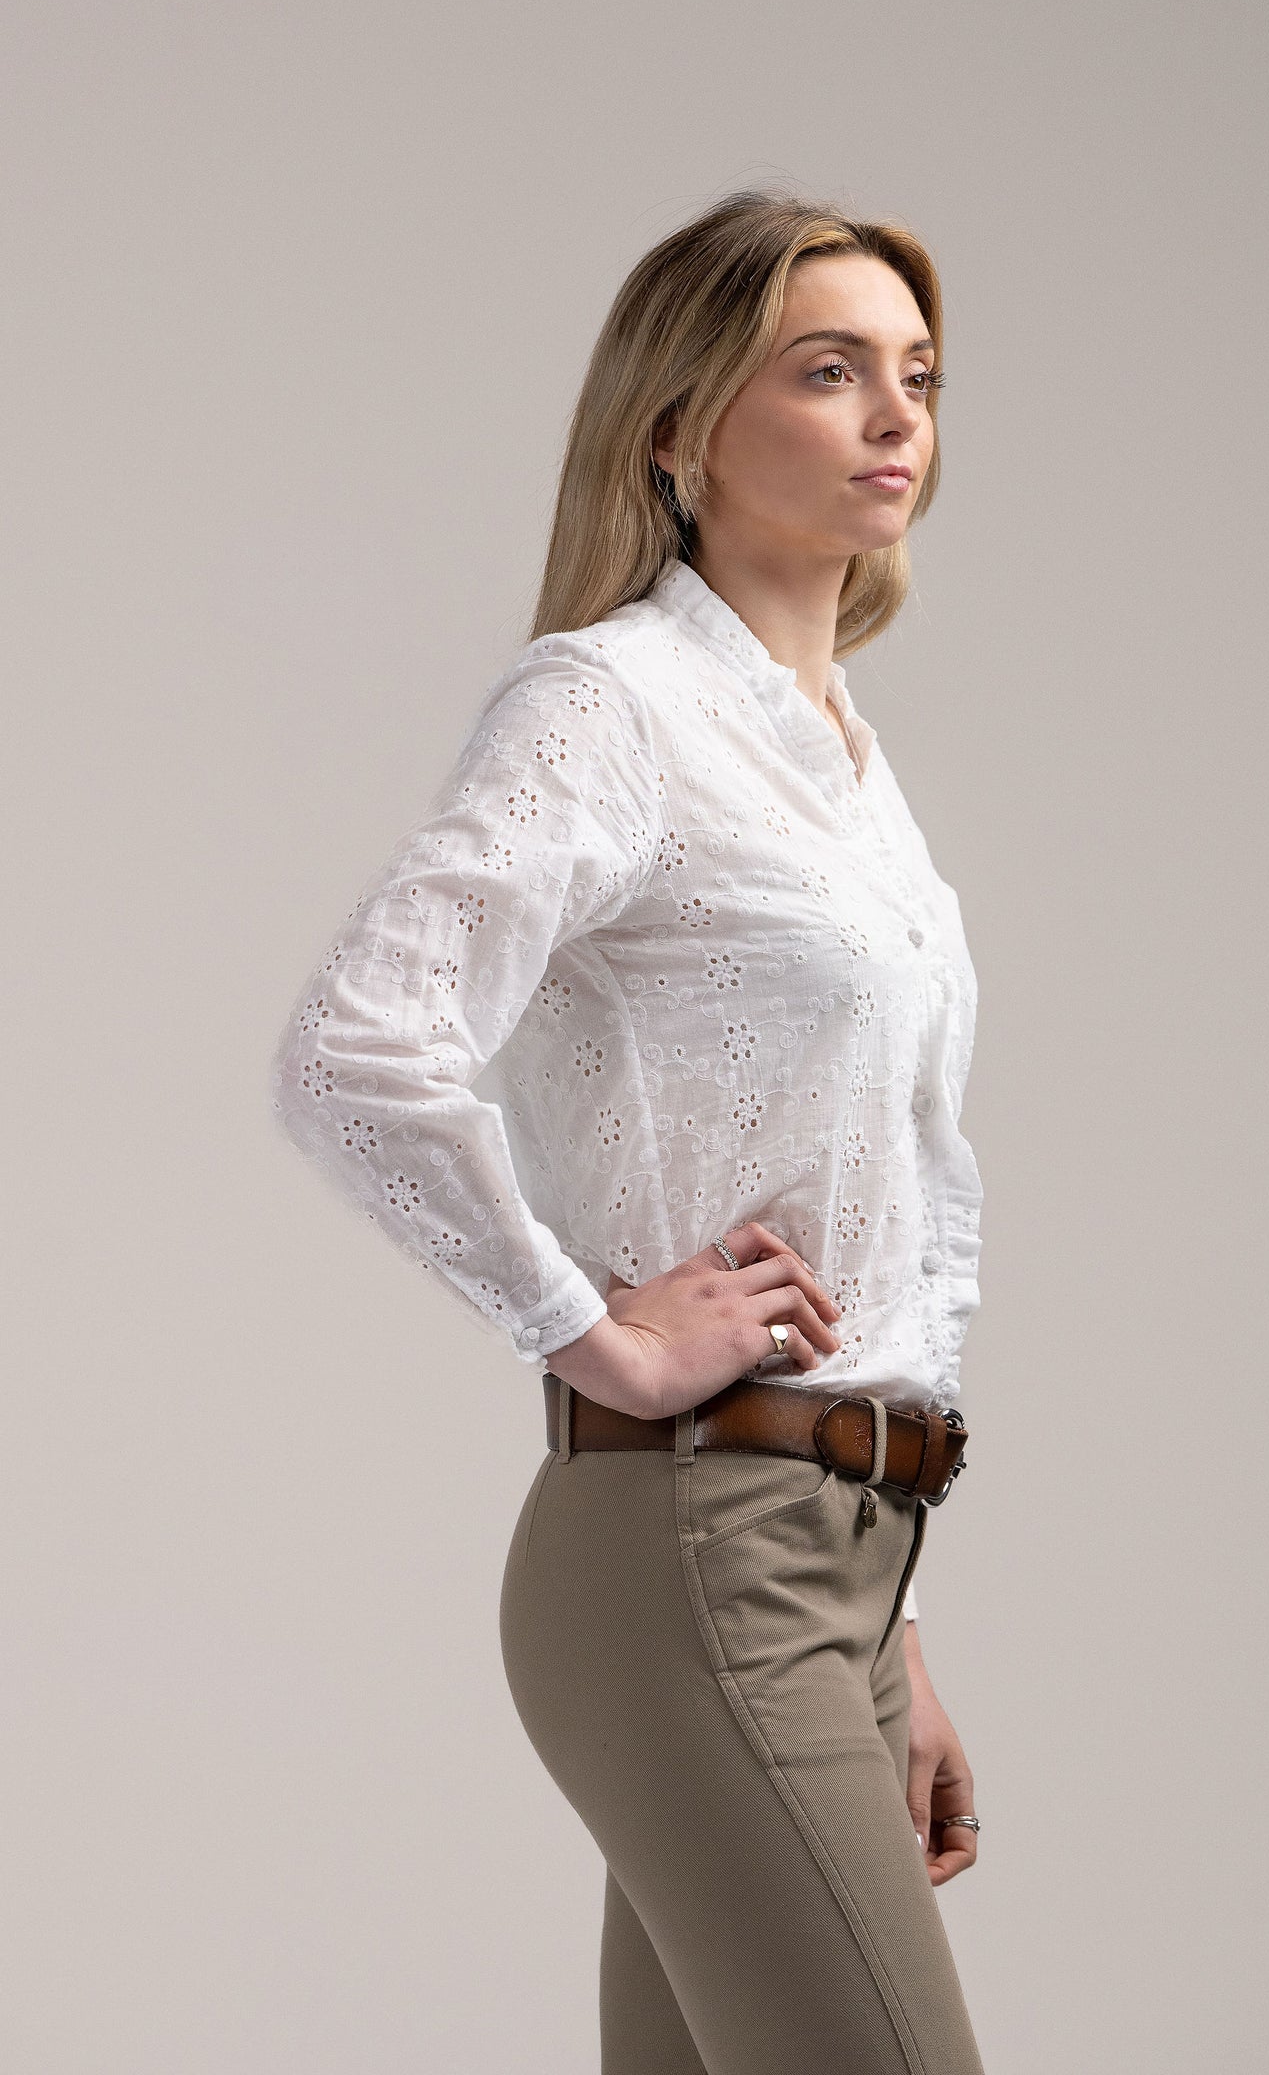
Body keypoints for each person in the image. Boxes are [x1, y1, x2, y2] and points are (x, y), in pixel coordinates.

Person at [269, 186, 988, 2074]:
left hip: (830, 1564)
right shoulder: (612, 705)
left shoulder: (841, 763)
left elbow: (881, 1215)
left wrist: (898, 1632)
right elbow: (357, 1051)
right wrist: (589, 1329)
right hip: (698, 1548)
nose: (894, 415)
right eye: (826, 371)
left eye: (916, 375)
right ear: (675, 427)